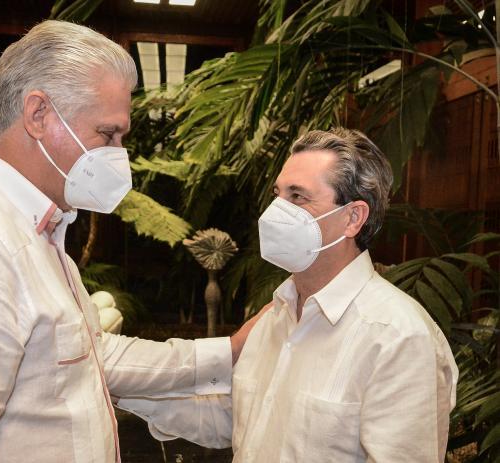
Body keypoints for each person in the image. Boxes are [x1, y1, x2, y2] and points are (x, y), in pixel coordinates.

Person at [0, 20, 261, 462]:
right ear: (38, 115)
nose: (117, 154)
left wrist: (226, 352)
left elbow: (92, 357)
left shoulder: (34, 228)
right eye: (107, 134)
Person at [118, 128, 458, 462]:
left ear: (353, 217)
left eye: (298, 197)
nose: (275, 212)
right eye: (277, 194)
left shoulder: (399, 337)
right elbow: (234, 419)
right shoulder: (275, 314)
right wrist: (120, 382)